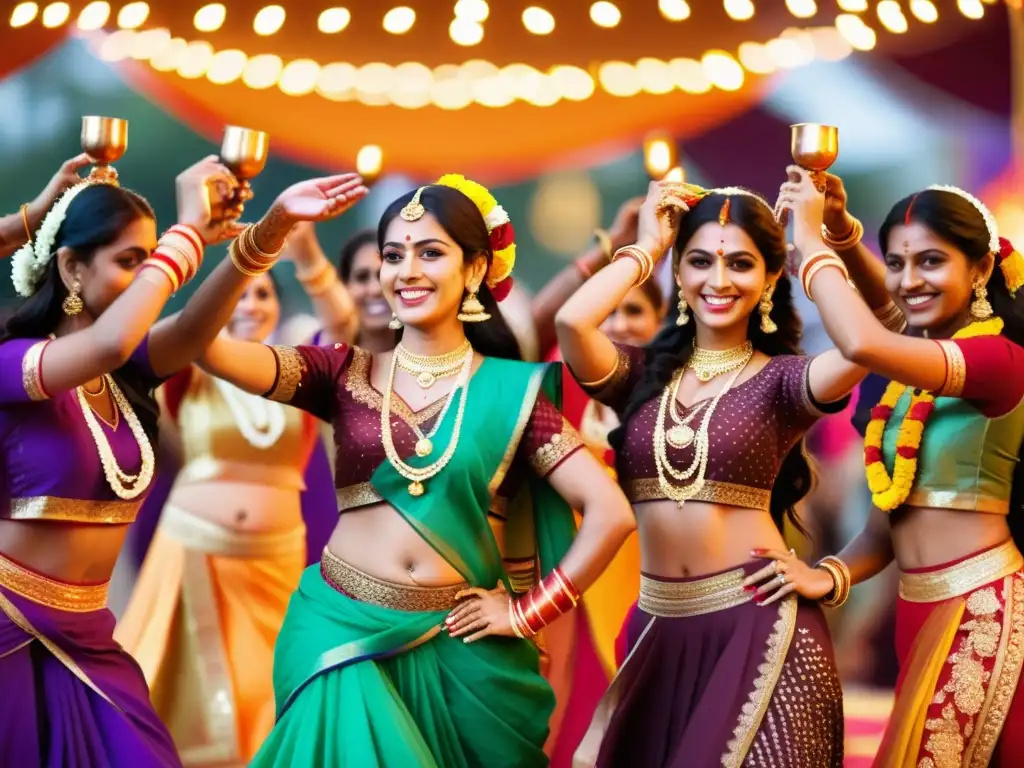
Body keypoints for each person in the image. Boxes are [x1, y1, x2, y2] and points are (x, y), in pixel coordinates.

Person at [193, 174, 636, 767]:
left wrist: (528, 611)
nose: (407, 271)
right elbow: (205, 346)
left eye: (431, 252)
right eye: (393, 256)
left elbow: (611, 513)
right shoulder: (340, 375)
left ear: (476, 270)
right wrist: (268, 231)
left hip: (458, 654)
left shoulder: (513, 393)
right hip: (337, 636)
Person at [0, 153, 367, 767]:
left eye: (149, 260)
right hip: (13, 629)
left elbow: (196, 329)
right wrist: (188, 231)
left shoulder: (128, 372)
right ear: (70, 268)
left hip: (90, 636)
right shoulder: (16, 363)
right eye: (128, 262)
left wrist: (269, 230)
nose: (148, 277)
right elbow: (108, 340)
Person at [559, 179, 867, 767]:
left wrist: (809, 240)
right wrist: (648, 245)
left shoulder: (784, 382)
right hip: (657, 630)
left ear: (772, 278)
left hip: (758, 631)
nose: (718, 281)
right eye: (700, 261)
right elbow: (573, 323)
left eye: (741, 264)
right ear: (678, 273)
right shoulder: (639, 375)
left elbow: (862, 346)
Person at [763, 169, 1024, 766]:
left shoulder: (997, 360)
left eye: (931, 262)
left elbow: (865, 341)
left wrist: (810, 241)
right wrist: (827, 575)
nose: (910, 281)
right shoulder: (914, 375)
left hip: (980, 604)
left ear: (981, 270)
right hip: (918, 603)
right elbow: (888, 519)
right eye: (898, 263)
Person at [115, 262, 354, 762]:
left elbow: (342, 327)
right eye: (237, 297)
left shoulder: (300, 372)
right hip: (196, 554)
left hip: (276, 561)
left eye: (262, 294)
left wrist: (308, 253)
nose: (249, 305)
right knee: (192, 692)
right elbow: (160, 337)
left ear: (277, 305)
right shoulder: (195, 367)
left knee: (268, 683)